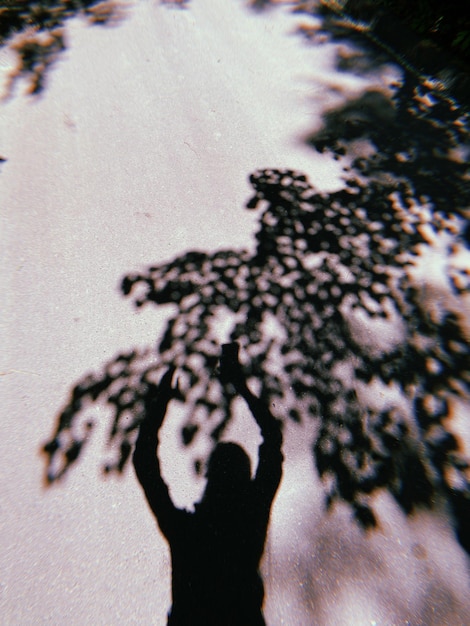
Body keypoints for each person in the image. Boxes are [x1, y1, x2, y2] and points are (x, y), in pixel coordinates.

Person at [133, 344, 283, 625]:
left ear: (209, 481)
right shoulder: (250, 521)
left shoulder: (186, 531)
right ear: (245, 480)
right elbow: (272, 439)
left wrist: (159, 404)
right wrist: (240, 384)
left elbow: (144, 463)